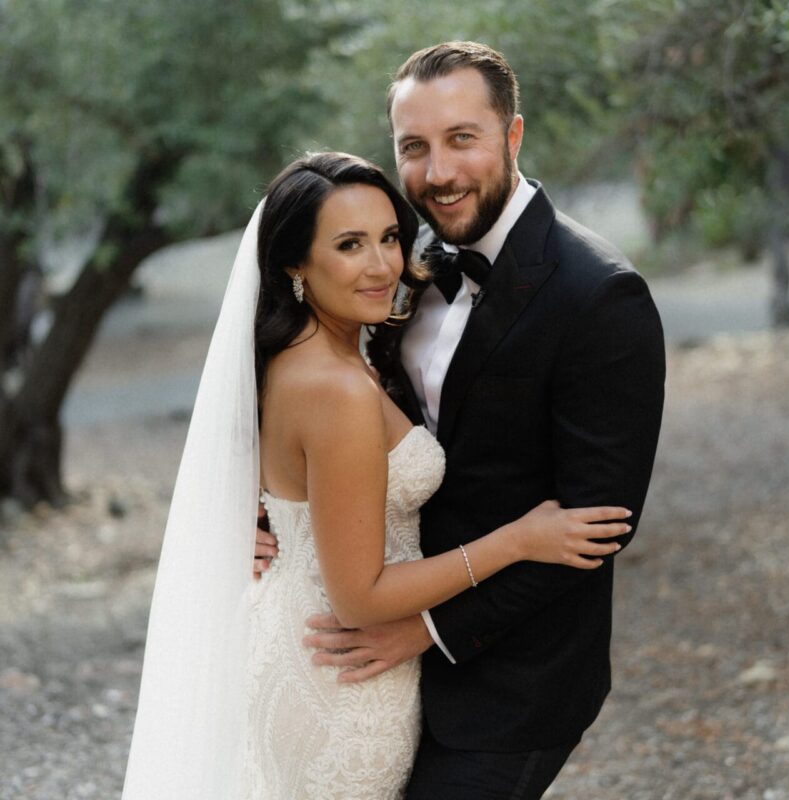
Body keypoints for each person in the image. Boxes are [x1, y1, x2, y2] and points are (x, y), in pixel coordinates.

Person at [122, 151, 632, 800]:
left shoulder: (297, 356)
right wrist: (519, 540)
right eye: (349, 245)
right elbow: (360, 598)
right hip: (342, 672)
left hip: (302, 646)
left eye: (389, 238)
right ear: (294, 264)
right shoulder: (337, 390)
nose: (382, 265)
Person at [256, 43, 666, 799]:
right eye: (414, 147)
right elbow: (314, 424)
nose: (437, 172)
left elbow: (597, 525)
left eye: (462, 139)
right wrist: (261, 512)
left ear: (513, 135)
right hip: (360, 662)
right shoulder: (396, 268)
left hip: (511, 683)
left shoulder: (599, 296)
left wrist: (428, 628)